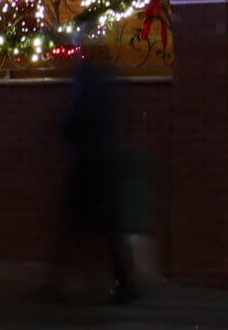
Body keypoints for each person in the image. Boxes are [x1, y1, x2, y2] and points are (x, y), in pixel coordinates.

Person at [50, 25, 138, 304]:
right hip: (104, 156)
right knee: (106, 224)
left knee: (73, 220)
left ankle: (58, 284)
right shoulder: (109, 73)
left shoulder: (86, 74)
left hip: (87, 158)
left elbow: (77, 113)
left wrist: (64, 132)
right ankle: (123, 281)